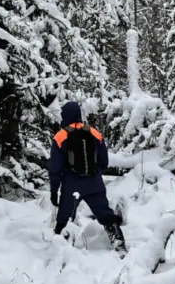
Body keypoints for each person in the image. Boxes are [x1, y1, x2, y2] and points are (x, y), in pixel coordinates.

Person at [48, 100, 126, 253]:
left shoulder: (60, 136)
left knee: (63, 217)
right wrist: (95, 175)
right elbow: (104, 161)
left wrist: (54, 191)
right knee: (105, 214)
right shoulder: (94, 132)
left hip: (71, 184)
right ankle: (118, 242)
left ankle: (59, 246)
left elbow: (55, 169)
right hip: (94, 182)